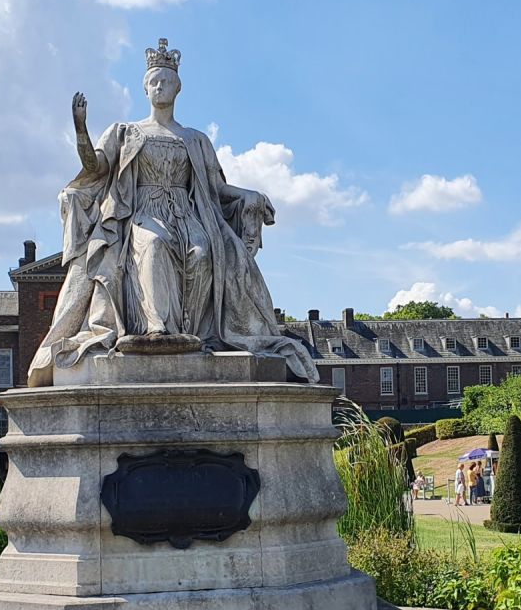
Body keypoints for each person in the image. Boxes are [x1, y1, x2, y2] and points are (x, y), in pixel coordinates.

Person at [26, 39, 317, 387]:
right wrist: (80, 131)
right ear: (145, 88)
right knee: (153, 246)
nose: (159, 87)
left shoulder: (195, 139)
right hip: (143, 212)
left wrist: (250, 194)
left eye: (165, 81)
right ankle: (157, 328)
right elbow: (95, 168)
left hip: (188, 213)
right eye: (153, 82)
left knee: (203, 253)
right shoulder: (126, 132)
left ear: (178, 88)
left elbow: (217, 189)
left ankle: (192, 333)